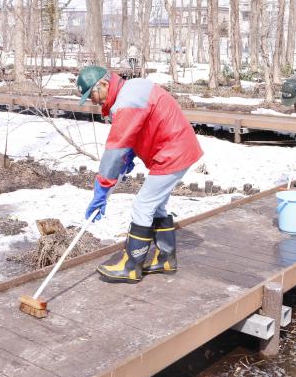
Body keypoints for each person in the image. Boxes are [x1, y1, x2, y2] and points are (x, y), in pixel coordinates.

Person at [76, 65, 203, 283]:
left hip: (172, 153)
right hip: (176, 148)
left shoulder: (127, 102)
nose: (93, 101)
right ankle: (166, 259)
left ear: (104, 84)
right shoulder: (132, 89)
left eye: (93, 94)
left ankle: (132, 266)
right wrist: (130, 155)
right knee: (157, 205)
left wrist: (103, 186)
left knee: (142, 206)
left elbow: (115, 147)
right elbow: (143, 125)